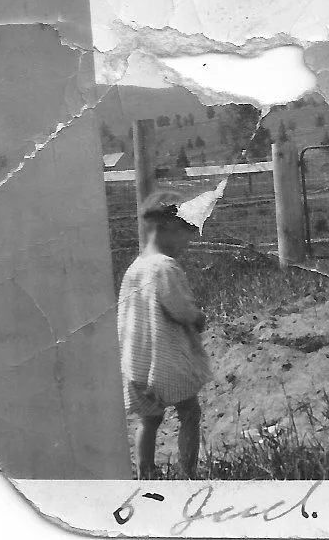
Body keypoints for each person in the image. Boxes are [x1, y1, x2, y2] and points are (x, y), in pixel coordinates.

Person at [117, 189, 212, 479]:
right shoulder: (165, 267)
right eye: (185, 232)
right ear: (168, 228)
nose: (187, 240)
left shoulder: (136, 268)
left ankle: (145, 472)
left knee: (149, 421)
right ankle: (188, 472)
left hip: (137, 364)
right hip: (165, 363)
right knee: (190, 413)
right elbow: (178, 308)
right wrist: (196, 318)